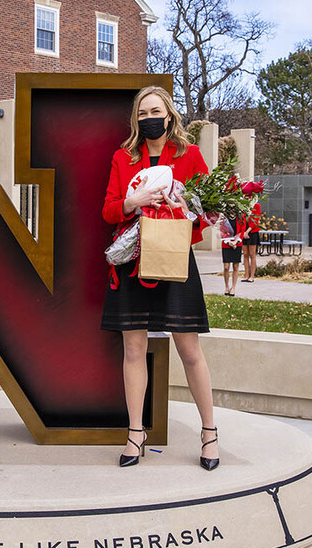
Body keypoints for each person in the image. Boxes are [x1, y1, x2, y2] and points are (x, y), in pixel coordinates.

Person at [101, 85, 219, 471]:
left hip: (173, 259)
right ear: (136, 120)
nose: (149, 118)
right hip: (133, 261)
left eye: (155, 110)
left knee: (190, 351)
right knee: (133, 350)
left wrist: (183, 206)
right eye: (142, 113)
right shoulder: (124, 156)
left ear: (169, 115)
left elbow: (208, 213)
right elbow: (109, 210)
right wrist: (133, 203)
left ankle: (209, 433)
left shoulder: (190, 156)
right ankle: (136, 433)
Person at [221, 214, 247, 296]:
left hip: (237, 244)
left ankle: (233, 288)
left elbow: (242, 231)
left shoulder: (241, 217)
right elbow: (222, 231)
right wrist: (229, 242)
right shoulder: (224, 217)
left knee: (235, 266)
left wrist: (236, 242)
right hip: (226, 243)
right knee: (226, 267)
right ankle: (226, 286)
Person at [242, 200, 261, 282]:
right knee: (245, 254)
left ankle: (252, 276)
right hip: (243, 232)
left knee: (252, 254)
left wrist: (247, 231)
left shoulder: (256, 206)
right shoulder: (242, 205)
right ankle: (246, 275)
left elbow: (255, 220)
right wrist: (243, 232)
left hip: (252, 232)